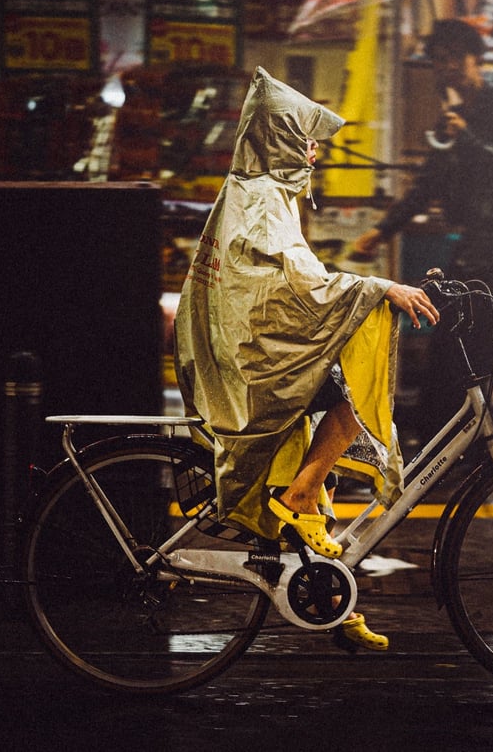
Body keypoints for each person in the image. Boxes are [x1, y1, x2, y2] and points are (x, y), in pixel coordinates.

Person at [174, 66, 440, 652]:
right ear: (281, 140)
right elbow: (304, 288)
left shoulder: (254, 190)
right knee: (356, 397)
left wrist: (360, 286)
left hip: (250, 348)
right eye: (305, 138)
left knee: (332, 419)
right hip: (258, 358)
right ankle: (299, 504)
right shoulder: (265, 199)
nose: (315, 150)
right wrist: (376, 290)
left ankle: (328, 596)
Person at [352, 19, 493, 438]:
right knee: (447, 349)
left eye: (456, 57)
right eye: (439, 60)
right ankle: (441, 444)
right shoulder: (452, 118)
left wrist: (466, 136)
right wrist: (381, 231)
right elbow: (428, 182)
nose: (447, 67)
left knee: (473, 354)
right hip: (473, 248)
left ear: (477, 59)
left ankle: (466, 444)